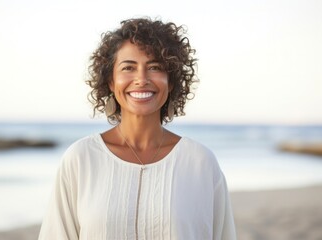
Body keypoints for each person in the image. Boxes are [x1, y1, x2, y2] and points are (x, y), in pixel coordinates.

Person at [38, 17, 236, 240]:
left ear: (170, 82)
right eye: (128, 68)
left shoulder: (201, 162)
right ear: (111, 81)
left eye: (154, 67)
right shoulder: (81, 159)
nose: (141, 79)